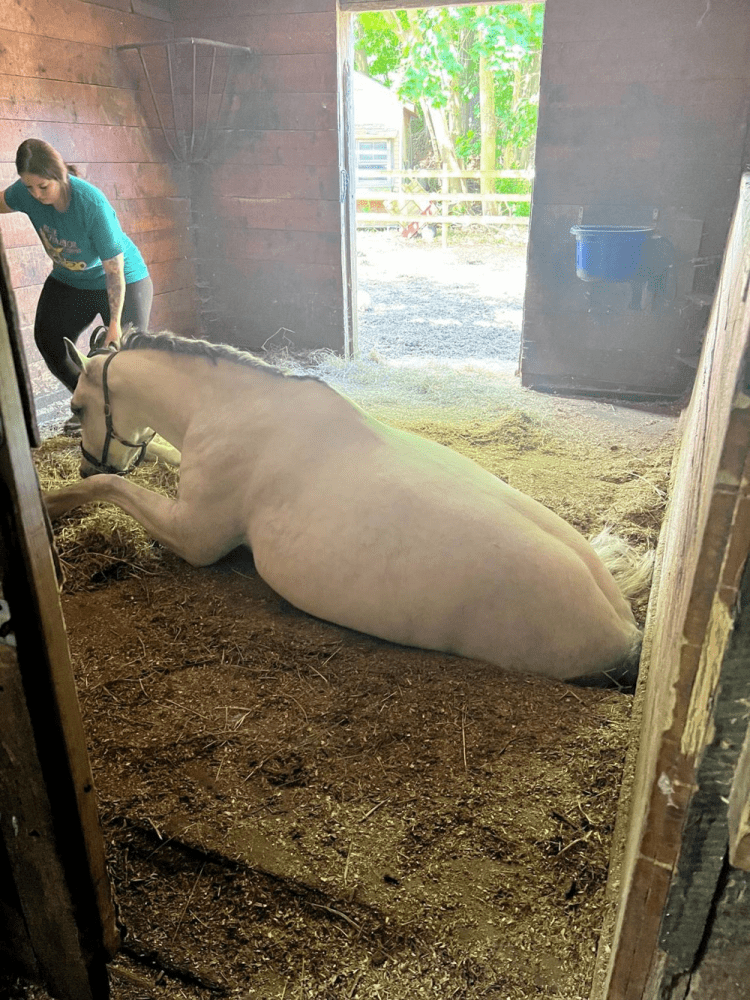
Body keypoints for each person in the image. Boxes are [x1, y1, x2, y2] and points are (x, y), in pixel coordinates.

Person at [0, 138, 153, 431]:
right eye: (29, 187)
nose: (36, 194)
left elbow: (113, 270)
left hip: (122, 278)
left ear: (59, 175)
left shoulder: (90, 203)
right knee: (48, 339)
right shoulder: (25, 193)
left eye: (43, 187)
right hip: (70, 280)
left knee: (128, 357)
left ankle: (132, 425)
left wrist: (115, 324)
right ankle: (89, 406)